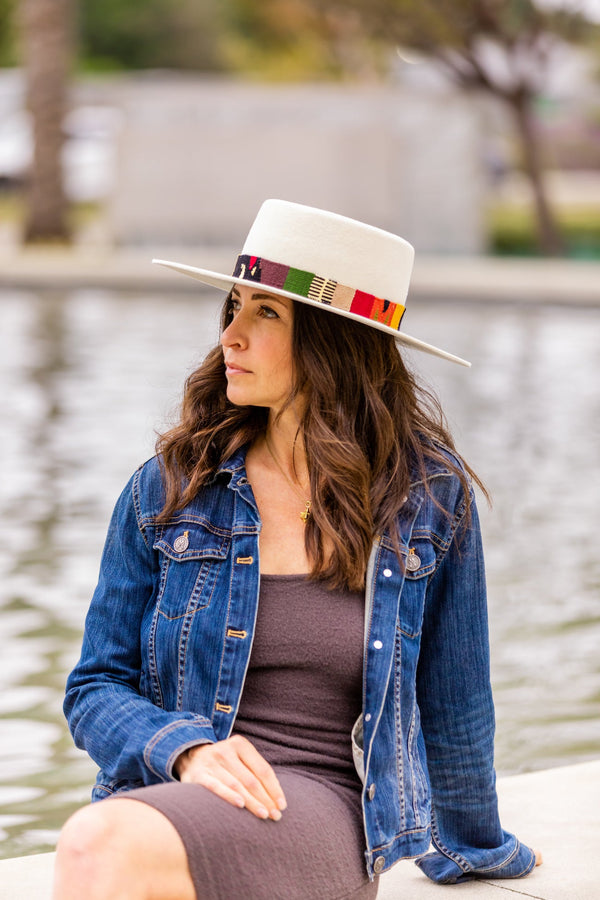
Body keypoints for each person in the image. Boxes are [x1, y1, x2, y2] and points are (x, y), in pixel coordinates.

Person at [53, 200, 541, 900]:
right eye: (234, 305)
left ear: (333, 341)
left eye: (266, 314)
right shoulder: (170, 488)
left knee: (98, 844)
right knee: (103, 840)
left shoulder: (425, 498)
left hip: (320, 808)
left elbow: (456, 703)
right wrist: (184, 751)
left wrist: (476, 848)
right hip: (177, 791)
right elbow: (94, 687)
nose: (232, 334)